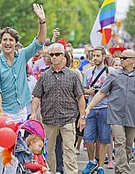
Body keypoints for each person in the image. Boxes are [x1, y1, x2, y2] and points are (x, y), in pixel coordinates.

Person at [0, 3, 46, 174]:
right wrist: (0, 113)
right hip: (2, 112)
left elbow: (40, 42)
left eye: (11, 40)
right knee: (1, 149)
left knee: (16, 149)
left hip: (20, 110)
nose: (7, 43)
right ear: (1, 42)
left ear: (15, 43)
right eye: (5, 40)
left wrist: (42, 22)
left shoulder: (22, 56)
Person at [86, 49, 135, 174]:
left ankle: (119, 170)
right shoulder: (114, 75)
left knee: (128, 147)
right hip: (116, 115)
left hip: (133, 116)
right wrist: (89, 107)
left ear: (133, 60)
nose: (121, 60)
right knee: (120, 142)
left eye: (124, 58)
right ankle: (125, 171)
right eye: (121, 58)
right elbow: (101, 93)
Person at [31, 43, 86, 174]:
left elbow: (80, 97)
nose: (54, 57)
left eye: (57, 54)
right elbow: (37, 96)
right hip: (48, 120)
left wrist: (82, 117)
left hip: (68, 119)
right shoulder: (44, 76)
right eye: (52, 54)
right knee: (48, 151)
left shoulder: (72, 75)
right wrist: (33, 113)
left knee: (69, 151)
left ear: (63, 56)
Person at [82, 46, 115, 174]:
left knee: (104, 139)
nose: (95, 58)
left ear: (104, 56)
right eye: (93, 56)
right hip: (91, 108)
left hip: (105, 108)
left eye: (97, 56)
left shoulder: (110, 71)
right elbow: (83, 89)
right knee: (88, 138)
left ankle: (100, 166)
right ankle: (92, 161)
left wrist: (105, 93)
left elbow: (115, 90)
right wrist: (88, 91)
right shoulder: (89, 71)